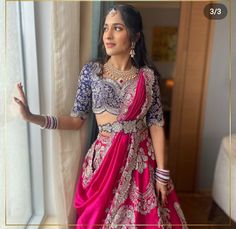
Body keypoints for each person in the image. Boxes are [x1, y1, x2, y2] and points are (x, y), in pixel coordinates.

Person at [14, 4, 188, 229]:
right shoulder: (92, 73)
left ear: (134, 36)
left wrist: (162, 174)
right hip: (103, 165)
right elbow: (76, 120)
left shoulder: (148, 77)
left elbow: (156, 124)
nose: (107, 35)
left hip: (141, 164)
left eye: (117, 28)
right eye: (106, 28)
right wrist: (32, 117)